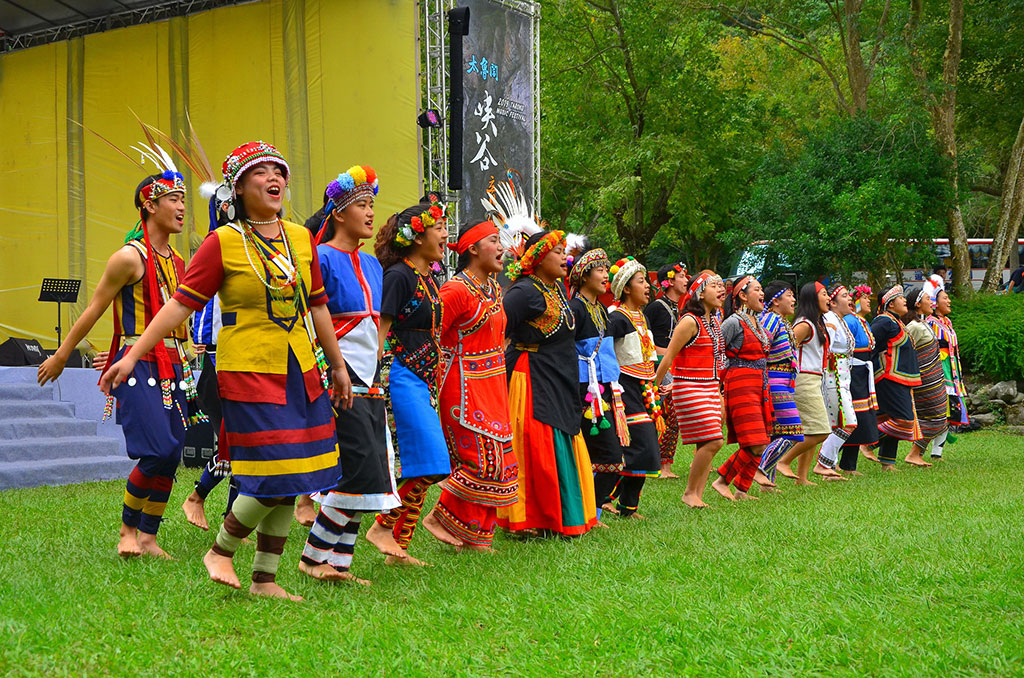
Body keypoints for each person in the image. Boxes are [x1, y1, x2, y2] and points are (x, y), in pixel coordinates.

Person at [102, 141, 352, 601]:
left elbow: (317, 304)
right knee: (275, 471)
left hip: (300, 366)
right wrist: (134, 353)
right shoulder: (223, 243)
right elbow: (180, 305)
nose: (274, 178)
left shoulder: (300, 238)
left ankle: (264, 579)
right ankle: (221, 550)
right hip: (247, 371)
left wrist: (336, 365)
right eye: (261, 172)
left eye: (279, 169)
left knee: (299, 474)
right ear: (238, 188)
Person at [38, 153, 199, 560]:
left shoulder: (179, 263)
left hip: (175, 365)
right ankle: (128, 531)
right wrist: (61, 355)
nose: (182, 207)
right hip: (138, 362)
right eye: (174, 199)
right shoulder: (129, 257)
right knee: (158, 449)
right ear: (150, 204)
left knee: (175, 451)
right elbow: (93, 309)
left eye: (184, 198)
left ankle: (148, 538)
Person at [298, 166, 406, 584]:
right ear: (338, 213)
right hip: (338, 375)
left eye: (372, 205)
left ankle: (338, 564)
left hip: (370, 376)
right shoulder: (320, 257)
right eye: (361, 205)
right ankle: (312, 558)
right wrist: (330, 369)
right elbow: (312, 317)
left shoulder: (373, 265)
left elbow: (375, 324)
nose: (369, 213)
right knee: (360, 467)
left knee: (374, 471)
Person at [420, 220, 518, 551]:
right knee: (480, 460)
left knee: (500, 460)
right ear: (473, 250)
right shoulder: (456, 290)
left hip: (492, 382)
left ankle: (477, 535)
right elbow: (431, 335)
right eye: (494, 240)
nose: (502, 247)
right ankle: (438, 516)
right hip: (461, 383)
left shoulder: (495, 288)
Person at [366, 195, 453, 565]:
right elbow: (380, 330)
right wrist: (370, 378)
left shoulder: (429, 277)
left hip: (424, 379)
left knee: (425, 466)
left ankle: (399, 548)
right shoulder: (399, 276)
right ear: (417, 236)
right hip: (400, 374)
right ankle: (382, 526)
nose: (446, 235)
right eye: (439, 228)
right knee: (432, 463)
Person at [498, 230, 597, 536]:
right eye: (556, 252)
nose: (564, 257)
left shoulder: (556, 289)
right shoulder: (523, 293)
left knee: (563, 433)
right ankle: (528, 518)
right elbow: (498, 331)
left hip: (558, 374)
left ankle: (562, 513)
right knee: (533, 440)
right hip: (531, 376)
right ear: (538, 258)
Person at [653, 271, 726, 509]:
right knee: (714, 441)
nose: (721, 290)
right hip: (688, 386)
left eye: (721, 286)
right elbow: (668, 357)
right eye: (714, 286)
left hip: (711, 385)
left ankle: (696, 494)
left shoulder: (714, 321)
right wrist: (655, 386)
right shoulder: (689, 321)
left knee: (707, 442)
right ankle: (689, 493)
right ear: (700, 293)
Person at [568, 248, 628, 525]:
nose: (606, 275)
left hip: (606, 388)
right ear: (583, 276)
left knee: (609, 459)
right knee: (606, 458)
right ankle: (588, 512)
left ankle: (592, 511)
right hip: (584, 390)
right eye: (600, 270)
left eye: (607, 270)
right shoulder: (575, 308)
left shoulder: (601, 308)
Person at [605, 257, 664, 517]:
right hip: (622, 389)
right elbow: (605, 351)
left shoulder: (642, 318)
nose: (648, 286)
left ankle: (628, 506)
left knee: (646, 446)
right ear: (626, 288)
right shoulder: (617, 318)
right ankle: (603, 497)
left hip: (643, 388)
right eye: (641, 282)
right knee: (643, 444)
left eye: (647, 282)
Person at [712, 276, 771, 501]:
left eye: (762, 289)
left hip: (759, 384)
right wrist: (717, 385)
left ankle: (742, 489)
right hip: (741, 384)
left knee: (762, 438)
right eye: (757, 289)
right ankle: (722, 480)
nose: (762, 293)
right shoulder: (733, 322)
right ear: (743, 296)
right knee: (756, 441)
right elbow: (716, 352)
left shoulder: (757, 322)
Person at [777, 282, 833, 485]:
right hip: (804, 380)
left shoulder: (815, 322)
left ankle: (801, 477)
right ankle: (783, 461)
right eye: (825, 294)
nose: (829, 298)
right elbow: (785, 349)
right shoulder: (804, 324)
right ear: (812, 297)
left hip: (815, 378)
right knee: (820, 430)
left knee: (811, 430)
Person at [754, 281, 803, 490]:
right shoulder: (770, 319)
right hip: (774, 381)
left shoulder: (780, 320)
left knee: (776, 433)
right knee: (793, 432)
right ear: (775, 301)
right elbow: (759, 349)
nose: (793, 300)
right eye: (789, 295)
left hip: (782, 381)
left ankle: (768, 484)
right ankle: (760, 469)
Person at [871, 285, 922, 471]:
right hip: (888, 377)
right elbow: (869, 344)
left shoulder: (896, 322)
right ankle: (867, 442)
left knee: (888, 418)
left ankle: (887, 462)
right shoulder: (884, 322)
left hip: (900, 377)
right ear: (891, 303)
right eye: (901, 298)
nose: (905, 301)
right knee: (904, 420)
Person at [645, 262, 688, 478]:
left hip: (674, 363)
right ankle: (658, 463)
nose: (686, 280)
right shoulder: (655, 307)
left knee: (675, 414)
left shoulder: (679, 307)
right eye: (681, 276)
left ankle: (665, 464)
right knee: (664, 412)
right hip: (659, 364)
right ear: (669, 281)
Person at [815, 285, 859, 479]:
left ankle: (829, 465)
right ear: (832, 303)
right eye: (844, 295)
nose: (849, 298)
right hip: (833, 375)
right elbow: (827, 350)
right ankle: (824, 463)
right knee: (848, 423)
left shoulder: (840, 321)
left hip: (842, 376)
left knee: (838, 424)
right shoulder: (830, 320)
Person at [902, 287, 948, 467]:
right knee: (936, 417)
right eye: (929, 299)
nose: (932, 302)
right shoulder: (913, 326)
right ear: (918, 304)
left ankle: (916, 453)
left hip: (933, 378)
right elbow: (904, 351)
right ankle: (912, 453)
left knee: (937, 419)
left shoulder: (922, 324)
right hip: (925, 380)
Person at [837, 286, 879, 474]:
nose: (868, 301)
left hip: (863, 372)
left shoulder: (862, 322)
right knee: (852, 416)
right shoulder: (849, 321)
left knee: (860, 417)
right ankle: (833, 461)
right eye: (864, 298)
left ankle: (848, 465)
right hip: (852, 373)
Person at [927, 288, 969, 458]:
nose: (949, 301)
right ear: (935, 303)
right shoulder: (930, 322)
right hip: (939, 373)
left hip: (952, 373)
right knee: (939, 412)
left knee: (950, 412)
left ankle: (937, 453)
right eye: (945, 298)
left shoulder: (947, 322)